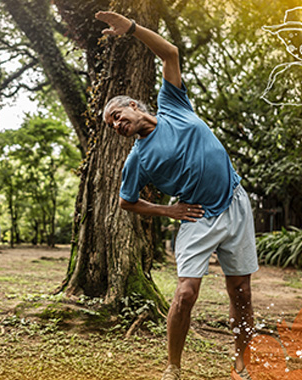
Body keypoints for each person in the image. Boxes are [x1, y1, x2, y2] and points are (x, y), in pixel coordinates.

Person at [95, 11, 258, 380]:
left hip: (234, 202)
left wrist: (133, 29)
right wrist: (169, 211)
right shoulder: (136, 159)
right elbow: (126, 200)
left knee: (242, 293)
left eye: (119, 116)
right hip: (197, 216)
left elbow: (170, 53)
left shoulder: (172, 105)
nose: (118, 126)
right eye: (113, 126)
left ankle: (241, 362)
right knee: (185, 294)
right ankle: (173, 367)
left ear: (135, 105)